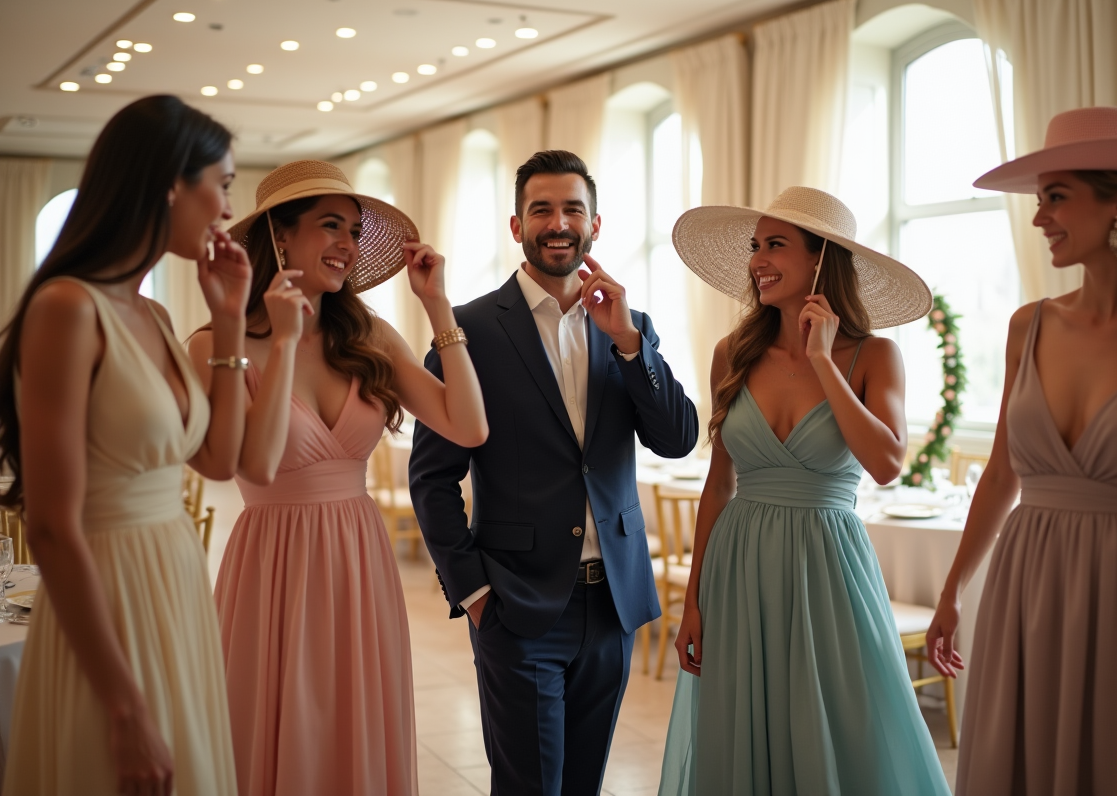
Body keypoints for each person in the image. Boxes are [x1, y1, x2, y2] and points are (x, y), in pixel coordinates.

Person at [925, 106, 1117, 794]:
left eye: (1055, 196)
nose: (1039, 217)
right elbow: (999, 476)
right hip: (1028, 580)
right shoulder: (1029, 325)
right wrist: (952, 592)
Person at [409, 149, 697, 794]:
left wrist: (629, 345)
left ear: (596, 225)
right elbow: (432, 476)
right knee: (530, 785)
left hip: (614, 603)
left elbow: (677, 439)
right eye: (542, 209)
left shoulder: (630, 327)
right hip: (517, 603)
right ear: (518, 227)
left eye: (573, 209)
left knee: (583, 782)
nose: (558, 222)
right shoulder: (470, 331)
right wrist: (474, 592)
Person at [197, 160, 488, 796]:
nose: (348, 245)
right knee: (274, 727)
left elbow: (468, 428)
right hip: (271, 566)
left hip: (358, 560)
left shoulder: (372, 338)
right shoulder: (215, 345)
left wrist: (438, 305)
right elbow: (252, 460)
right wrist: (278, 340)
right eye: (331, 226)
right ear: (280, 235)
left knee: (357, 727)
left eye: (354, 231)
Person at [658, 187, 951, 795]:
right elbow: (719, 483)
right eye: (755, 246)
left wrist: (823, 359)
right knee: (746, 726)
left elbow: (887, 463)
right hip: (739, 568)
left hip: (829, 567)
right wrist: (694, 601)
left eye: (775, 245)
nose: (757, 260)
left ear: (822, 259)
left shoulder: (875, 355)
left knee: (844, 723)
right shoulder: (732, 353)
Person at [0, 95, 249, 795]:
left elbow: (222, 461)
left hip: (175, 580)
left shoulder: (156, 314)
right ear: (172, 181)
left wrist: (229, 322)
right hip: (107, 596)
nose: (227, 208)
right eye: (222, 183)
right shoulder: (66, 309)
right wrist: (123, 702)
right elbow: (50, 526)